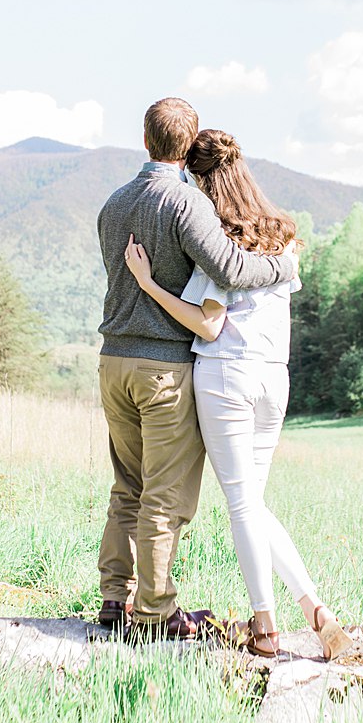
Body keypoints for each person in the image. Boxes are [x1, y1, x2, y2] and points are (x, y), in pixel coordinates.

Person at [124, 127, 353, 661]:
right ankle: (318, 614)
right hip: (276, 378)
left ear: (200, 181)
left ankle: (267, 627)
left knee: (242, 504)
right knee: (255, 503)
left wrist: (149, 285)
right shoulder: (282, 235)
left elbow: (208, 325)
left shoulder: (219, 240)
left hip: (228, 376)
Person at [96, 98, 297, 641]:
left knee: (127, 486)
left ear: (144, 140)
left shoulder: (113, 204)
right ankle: (156, 614)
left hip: (112, 361)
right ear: (186, 149)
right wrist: (283, 265)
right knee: (165, 494)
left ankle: (115, 598)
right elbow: (230, 268)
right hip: (162, 369)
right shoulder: (186, 204)